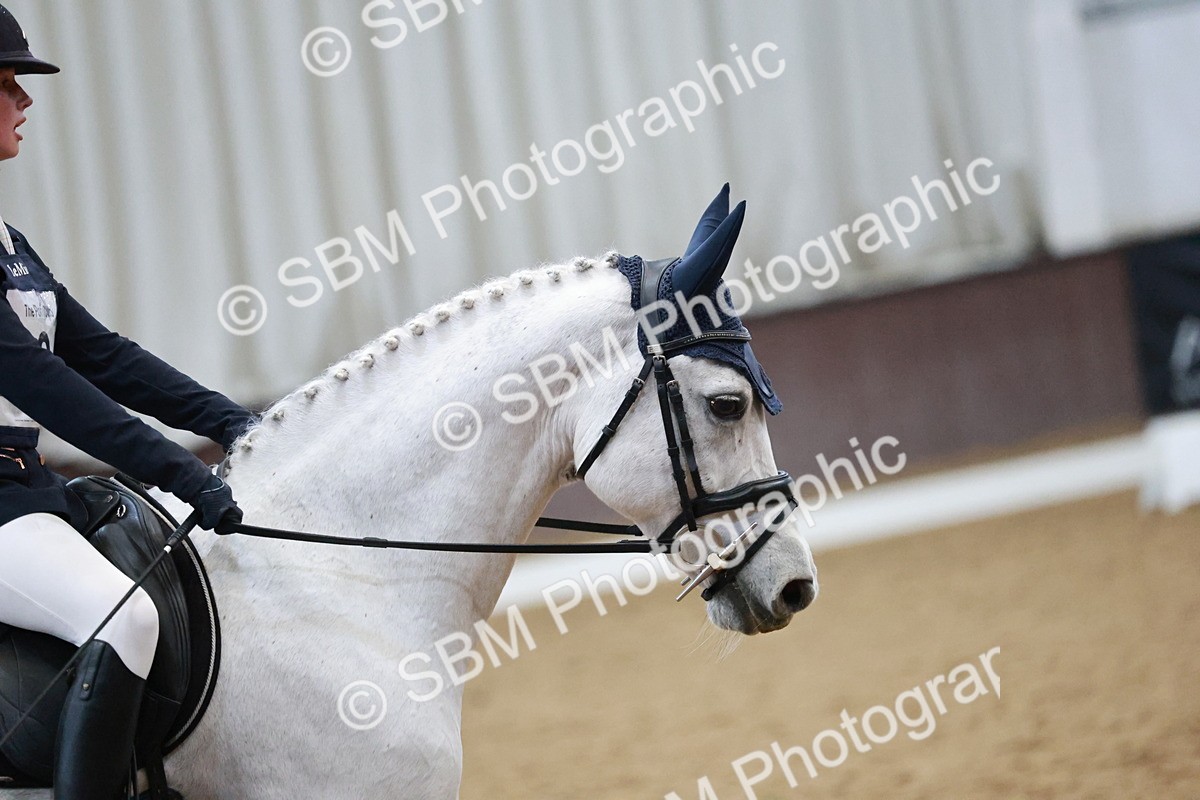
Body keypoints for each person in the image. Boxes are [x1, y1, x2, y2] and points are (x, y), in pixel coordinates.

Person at [0, 5, 254, 797]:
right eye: (8, 84)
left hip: (23, 492)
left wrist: (234, 422)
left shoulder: (9, 244)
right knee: (126, 617)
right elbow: (45, 387)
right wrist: (185, 473)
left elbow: (103, 357)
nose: (26, 101)